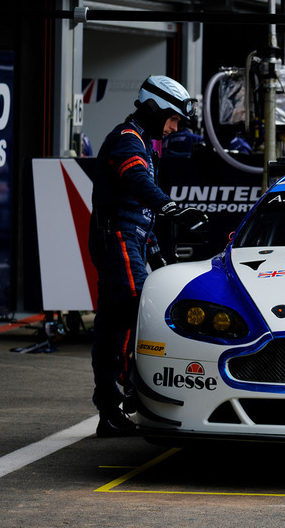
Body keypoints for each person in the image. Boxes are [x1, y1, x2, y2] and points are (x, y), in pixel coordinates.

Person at [89, 75, 208, 437]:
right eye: (173, 119)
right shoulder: (127, 140)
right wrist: (171, 206)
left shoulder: (141, 142)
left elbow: (142, 212)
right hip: (119, 240)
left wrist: (156, 253)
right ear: (156, 108)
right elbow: (137, 184)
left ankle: (109, 411)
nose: (174, 128)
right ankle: (134, 395)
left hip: (130, 241)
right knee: (138, 314)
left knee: (112, 326)